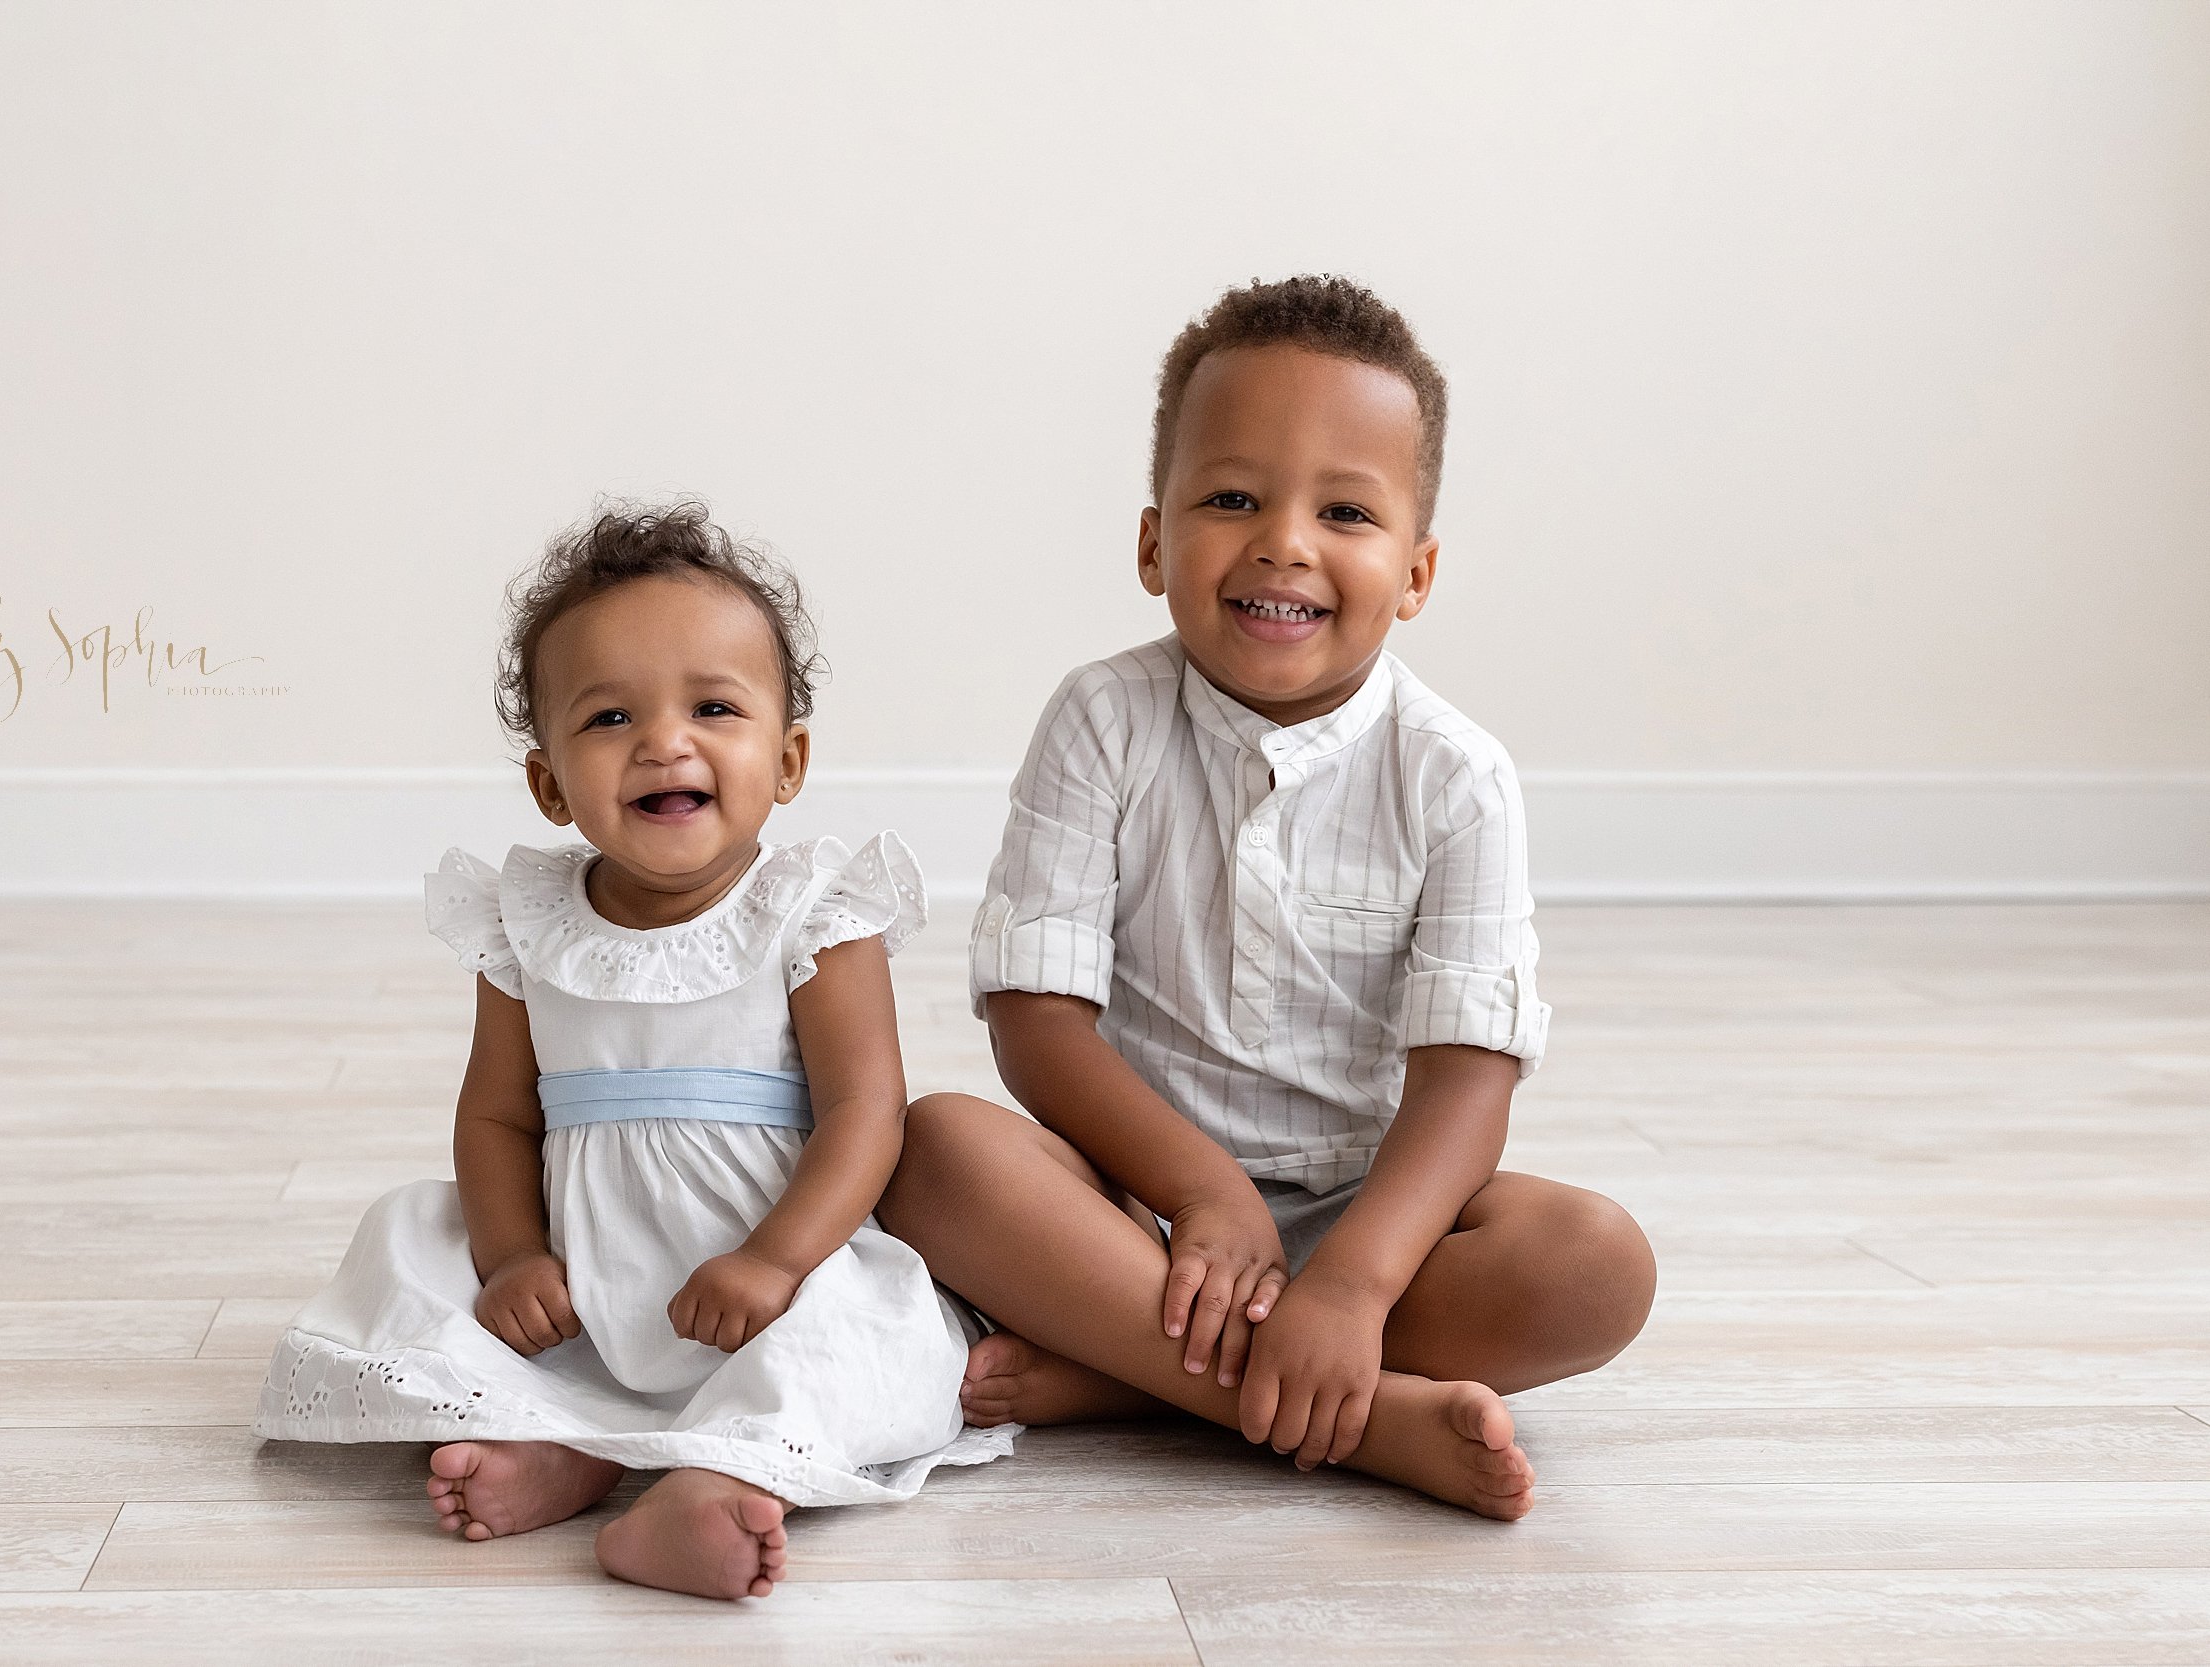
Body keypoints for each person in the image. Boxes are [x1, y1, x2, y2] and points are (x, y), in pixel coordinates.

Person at [878, 275, 1657, 1522]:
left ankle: (1134, 1381)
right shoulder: (1101, 718)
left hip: (1372, 1218)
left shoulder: (1455, 775)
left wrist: (1350, 1281)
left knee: (1594, 1265)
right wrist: (1202, 1192)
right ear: (1152, 543)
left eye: (1344, 510)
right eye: (1232, 497)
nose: (1283, 541)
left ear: (1415, 569)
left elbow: (1467, 1076)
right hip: (1131, 1213)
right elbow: (1036, 1019)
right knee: (932, 1147)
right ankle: (1356, 1419)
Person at [253, 502, 1011, 1599]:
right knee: (412, 1242)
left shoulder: (812, 911)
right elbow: (499, 1114)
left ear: (787, 757)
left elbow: (865, 1113)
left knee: (859, 1335)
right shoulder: (527, 919)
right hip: (586, 1274)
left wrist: (778, 1258)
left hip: (767, 1267)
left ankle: (709, 1484)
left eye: (713, 705)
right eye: (610, 716)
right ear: (550, 780)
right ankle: (555, 1438)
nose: (665, 740)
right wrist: (514, 1255)